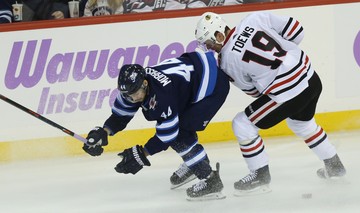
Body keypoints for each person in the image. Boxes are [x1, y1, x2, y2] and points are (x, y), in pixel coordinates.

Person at [194, 12, 346, 196]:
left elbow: (254, 93)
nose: (210, 48)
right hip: (311, 77)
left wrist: (272, 77)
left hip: (290, 94)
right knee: (301, 123)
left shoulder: (226, 62)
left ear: (219, 35)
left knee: (242, 124)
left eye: (210, 43)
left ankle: (260, 176)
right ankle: (334, 166)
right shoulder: (253, 19)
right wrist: (286, 60)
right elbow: (297, 30)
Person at [82, 51, 230, 201]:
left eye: (134, 93)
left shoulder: (162, 95)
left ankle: (211, 181)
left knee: (180, 135)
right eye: (127, 95)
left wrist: (142, 154)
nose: (132, 98)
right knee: (181, 129)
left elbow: (168, 135)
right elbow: (120, 115)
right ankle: (195, 165)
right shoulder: (131, 88)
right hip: (192, 77)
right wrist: (103, 132)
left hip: (212, 84)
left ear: (145, 84)